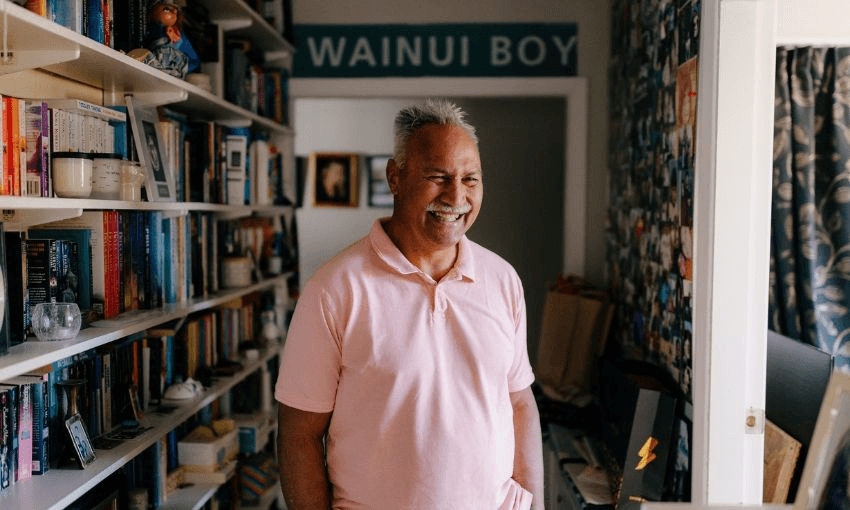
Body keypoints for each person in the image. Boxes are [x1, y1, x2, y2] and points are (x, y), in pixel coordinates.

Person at [275, 99, 543, 509]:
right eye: (438, 177)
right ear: (395, 177)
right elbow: (298, 434)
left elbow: (520, 403)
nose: (457, 195)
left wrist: (533, 503)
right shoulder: (333, 289)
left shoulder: (503, 280)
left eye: (471, 179)